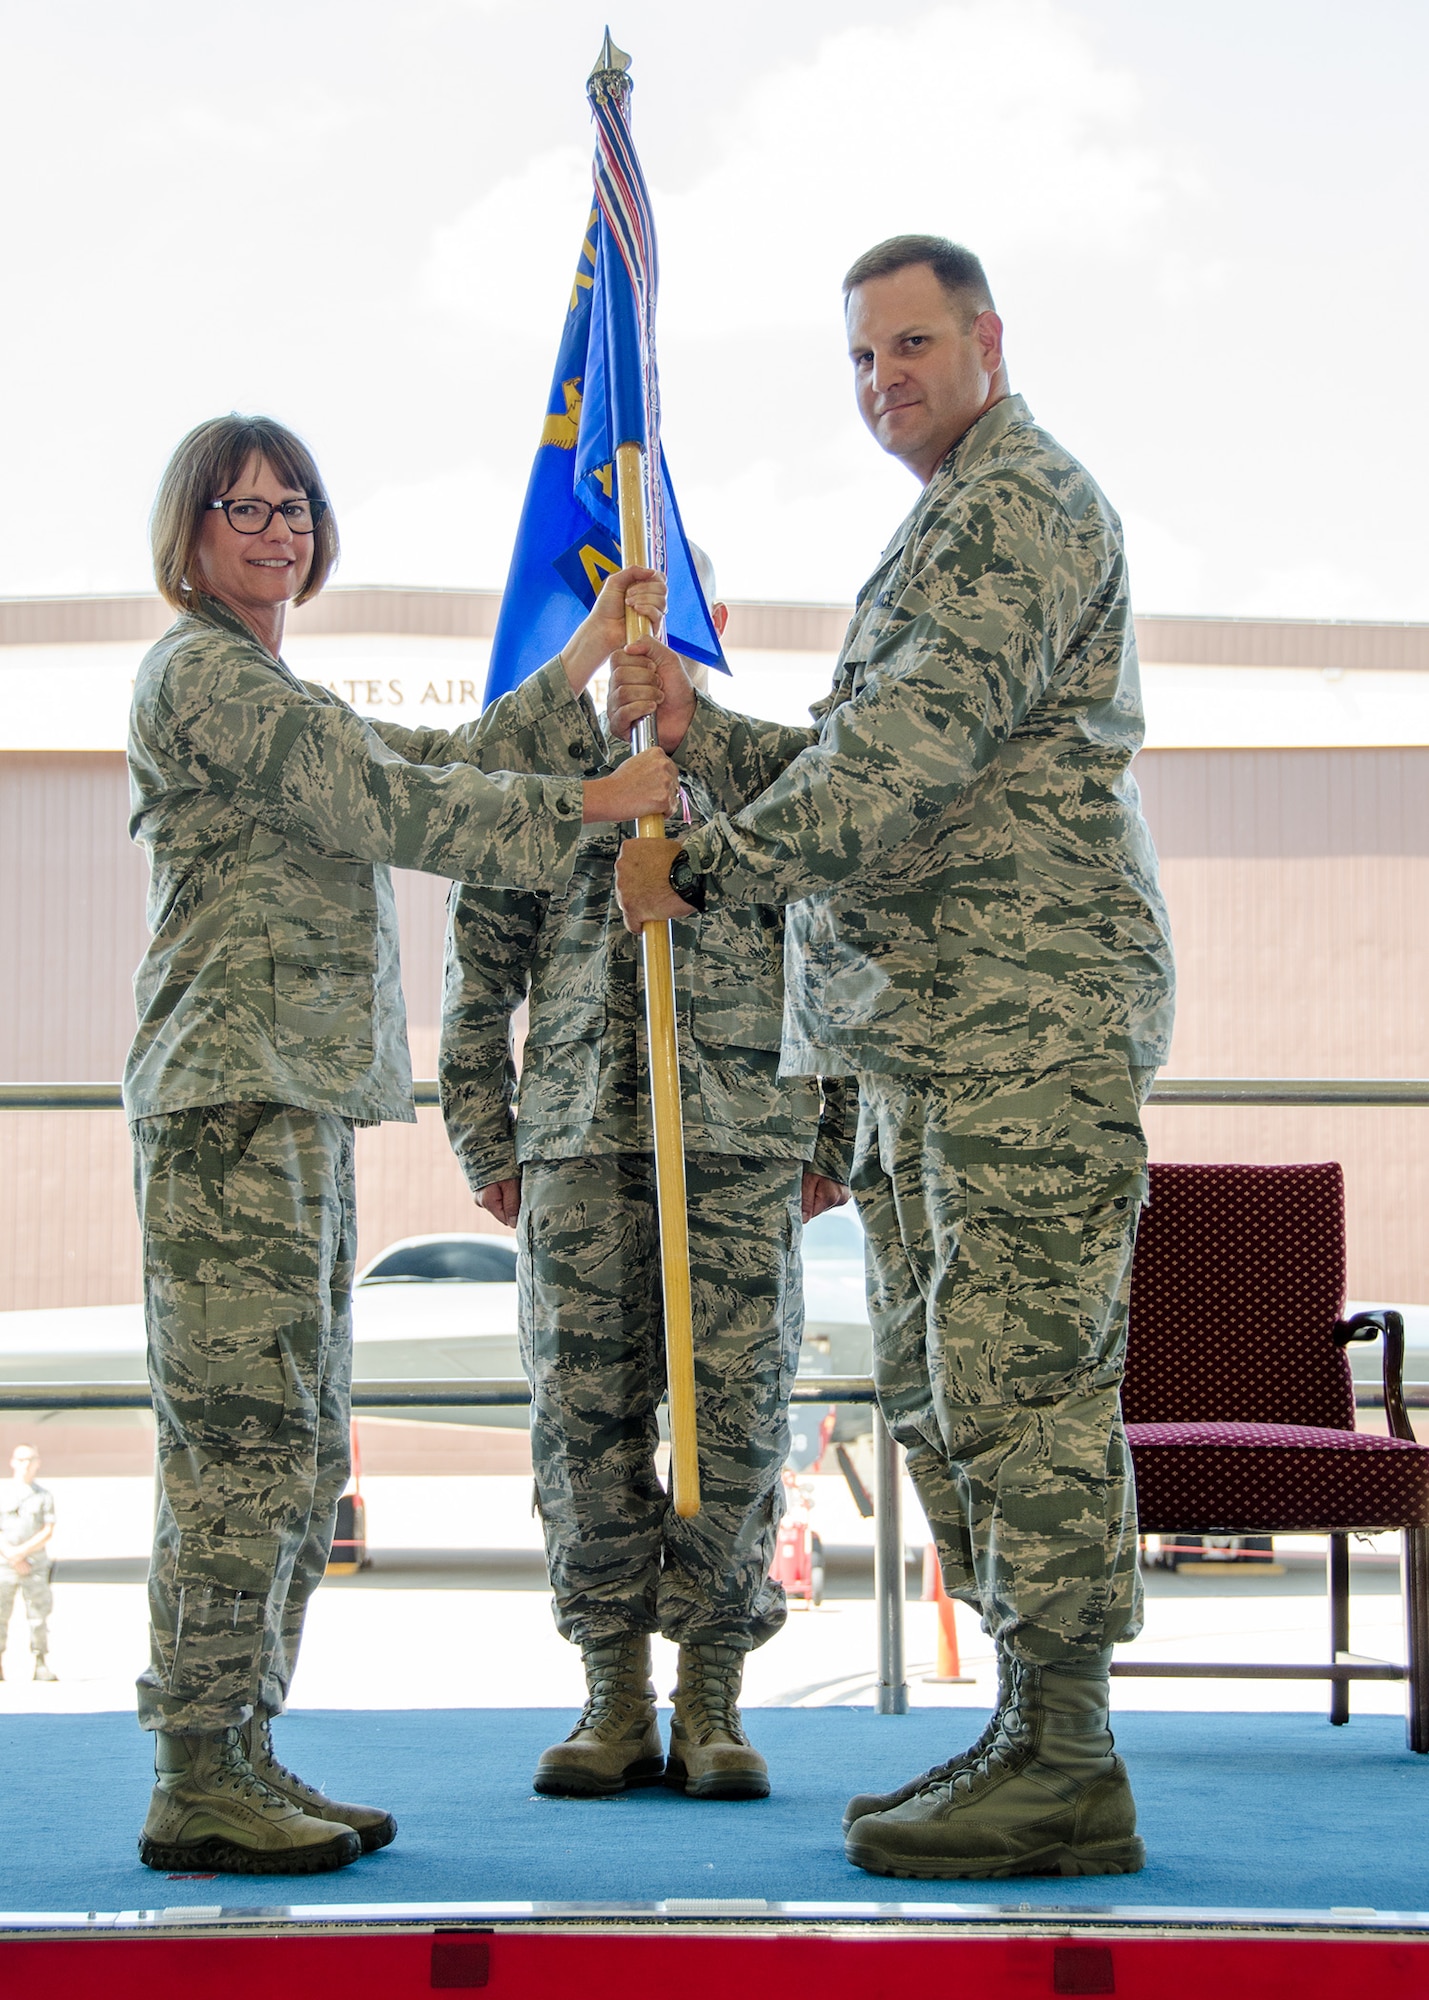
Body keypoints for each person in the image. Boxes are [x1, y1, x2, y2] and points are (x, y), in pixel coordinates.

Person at [611, 237, 1176, 1879]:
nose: (884, 382)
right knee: (942, 1401)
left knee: (1017, 1390)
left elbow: (901, 774)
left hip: (1018, 1026)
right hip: (924, 1039)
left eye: (910, 345)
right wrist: (697, 732)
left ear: (986, 340)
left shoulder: (1020, 506)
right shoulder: (939, 524)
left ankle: (1067, 1753)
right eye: (860, 360)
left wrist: (699, 863)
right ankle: (1022, 1728)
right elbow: (865, 759)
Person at [127, 413, 677, 1877]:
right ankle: (196, 1770)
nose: (274, 530)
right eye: (240, 509)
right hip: (229, 1102)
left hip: (288, 1100)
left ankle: (238, 1748)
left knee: (300, 1453)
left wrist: (573, 673)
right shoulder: (200, 677)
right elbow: (395, 802)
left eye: (293, 505)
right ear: (188, 534)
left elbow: (430, 754)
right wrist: (589, 808)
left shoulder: (272, 684)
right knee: (241, 1450)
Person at [440, 552, 854, 1802]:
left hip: (737, 1137)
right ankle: (613, 1693)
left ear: (708, 627)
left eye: (663, 613)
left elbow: (835, 928)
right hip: (574, 1136)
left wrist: (829, 1139)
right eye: (616, 616)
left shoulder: (768, 767)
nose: (638, 637)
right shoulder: (534, 783)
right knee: (583, 1423)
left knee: (732, 1421)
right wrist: (486, 1133)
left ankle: (714, 1698)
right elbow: (478, 974)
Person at [0, 1445, 57, 1681]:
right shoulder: (2, 1492)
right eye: (21, 1459)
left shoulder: (43, 1496)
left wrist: (22, 1553)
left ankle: (40, 1662)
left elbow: (48, 1529)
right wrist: (11, 1555)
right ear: (13, 1462)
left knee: (38, 1615)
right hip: (4, 1564)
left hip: (34, 1565)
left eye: (30, 1459)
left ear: (37, 1463)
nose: (25, 1464)